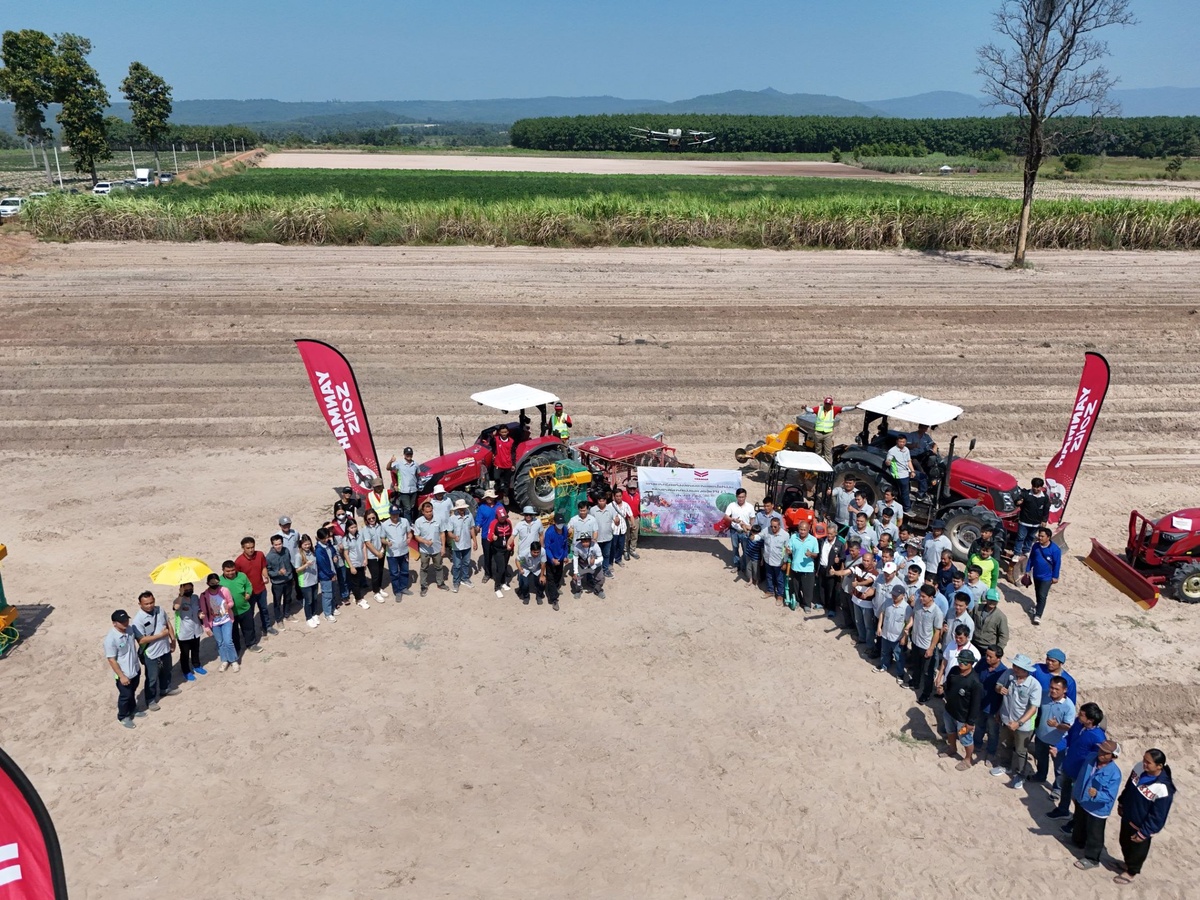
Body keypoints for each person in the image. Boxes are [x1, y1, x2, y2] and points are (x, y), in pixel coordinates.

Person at [1114, 748, 1175, 885]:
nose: (1144, 764)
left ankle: (1131, 872)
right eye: (1144, 760)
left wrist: (1144, 832)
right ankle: (1127, 863)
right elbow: (1129, 786)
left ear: (1159, 766)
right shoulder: (1138, 768)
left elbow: (1158, 816)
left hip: (1140, 826)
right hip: (1128, 816)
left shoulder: (1163, 789)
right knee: (1124, 842)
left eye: (1148, 762)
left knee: (1137, 851)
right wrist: (1122, 803)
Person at [991, 653, 1042, 789]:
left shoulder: (1034, 685)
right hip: (1006, 719)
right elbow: (998, 685)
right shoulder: (1009, 674)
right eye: (1014, 665)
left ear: (1025, 670)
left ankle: (1020, 775)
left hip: (1023, 725)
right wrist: (999, 689)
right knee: (1004, 743)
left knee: (1020, 750)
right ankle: (1005, 766)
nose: (1014, 668)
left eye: (1017, 667)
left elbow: (1033, 708)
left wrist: (1018, 723)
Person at [1049, 702, 1109, 816]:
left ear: (1090, 721)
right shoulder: (1078, 723)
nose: (1078, 715)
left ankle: (1076, 821)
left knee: (1078, 798)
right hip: (1068, 765)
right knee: (1065, 789)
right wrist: (1057, 748)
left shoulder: (1098, 738)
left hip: (1081, 773)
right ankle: (1063, 810)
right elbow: (1069, 737)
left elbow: (1099, 759)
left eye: (1081, 714)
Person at [1071, 740, 1123, 871]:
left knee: (1095, 834)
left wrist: (1096, 795)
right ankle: (1078, 842)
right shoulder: (1091, 757)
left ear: (1113, 756)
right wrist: (1076, 793)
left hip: (1097, 809)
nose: (1101, 754)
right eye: (1101, 750)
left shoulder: (1115, 774)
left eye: (1106, 753)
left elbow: (1110, 797)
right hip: (1083, 801)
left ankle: (1092, 859)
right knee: (1079, 823)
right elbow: (1082, 776)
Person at [131, 591, 178, 711]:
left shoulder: (160, 610)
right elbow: (141, 640)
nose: (150, 605)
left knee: (167, 670)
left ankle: (165, 688)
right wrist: (161, 635)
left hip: (165, 649)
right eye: (146, 604)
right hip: (151, 653)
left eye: (151, 602)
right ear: (140, 604)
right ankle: (150, 699)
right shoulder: (138, 620)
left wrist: (172, 639)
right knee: (151, 678)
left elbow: (168, 624)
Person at [941, 650, 983, 771]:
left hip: (963, 717)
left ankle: (968, 759)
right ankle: (952, 748)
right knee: (950, 731)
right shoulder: (954, 671)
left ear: (971, 663)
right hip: (949, 710)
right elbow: (948, 685)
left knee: (966, 738)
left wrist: (970, 722)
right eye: (960, 660)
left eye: (965, 662)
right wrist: (942, 689)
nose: (961, 663)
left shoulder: (975, 682)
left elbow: (975, 705)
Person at [902, 584, 945, 703]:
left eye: (924, 597)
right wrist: (909, 626)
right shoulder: (918, 604)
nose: (921, 598)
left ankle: (926, 693)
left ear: (931, 597)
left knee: (927, 672)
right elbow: (913, 617)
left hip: (927, 646)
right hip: (916, 642)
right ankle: (915, 682)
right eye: (920, 596)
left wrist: (931, 648)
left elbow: (937, 632)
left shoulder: (937, 612)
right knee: (916, 664)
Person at [1031, 675, 1076, 786]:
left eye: (1057, 689)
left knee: (1059, 767)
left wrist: (1057, 725)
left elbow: (1068, 727)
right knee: (1041, 760)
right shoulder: (1044, 695)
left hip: (1057, 742)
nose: (1053, 691)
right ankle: (1040, 776)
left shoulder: (1069, 706)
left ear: (1064, 690)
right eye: (1051, 687)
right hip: (1041, 737)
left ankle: (1057, 789)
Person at [104, 610, 144, 728]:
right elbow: (111, 659)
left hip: (135, 669)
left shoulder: (130, 629)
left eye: (126, 620)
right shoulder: (111, 640)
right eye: (122, 622)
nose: (125, 623)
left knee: (132, 691)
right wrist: (121, 676)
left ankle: (133, 710)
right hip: (124, 674)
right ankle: (122, 716)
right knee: (125, 695)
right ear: (114, 623)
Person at [973, 646, 1008, 766]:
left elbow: (1005, 696)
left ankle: (991, 752)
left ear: (998, 658)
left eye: (990, 656)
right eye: (986, 655)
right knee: (979, 725)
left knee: (993, 732)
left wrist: (999, 711)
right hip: (979, 703)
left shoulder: (1004, 672)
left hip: (993, 708)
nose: (987, 658)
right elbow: (975, 675)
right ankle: (977, 744)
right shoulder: (982, 662)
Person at [234, 536, 274, 638]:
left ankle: (267, 627)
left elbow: (263, 567)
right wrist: (244, 592)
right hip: (248, 592)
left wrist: (266, 576)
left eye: (252, 547)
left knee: (264, 609)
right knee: (249, 614)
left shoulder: (260, 554)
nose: (251, 550)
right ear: (243, 548)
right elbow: (237, 579)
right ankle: (251, 633)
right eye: (248, 548)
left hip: (261, 588)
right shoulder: (238, 561)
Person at [199, 573, 239, 673]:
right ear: (208, 583)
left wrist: (227, 607)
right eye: (212, 583)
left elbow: (231, 602)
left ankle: (233, 660)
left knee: (228, 641)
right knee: (220, 642)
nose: (214, 584)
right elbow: (204, 612)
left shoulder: (224, 590)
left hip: (226, 619)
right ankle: (224, 660)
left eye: (216, 582)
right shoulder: (204, 596)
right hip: (215, 623)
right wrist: (207, 627)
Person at [219, 558, 260, 655]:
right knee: (233, 631)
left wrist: (248, 593)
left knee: (249, 627)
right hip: (230, 612)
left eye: (233, 570)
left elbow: (248, 586)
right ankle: (236, 648)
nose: (230, 573)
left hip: (245, 608)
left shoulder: (242, 576)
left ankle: (251, 644)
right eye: (227, 571)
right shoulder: (219, 582)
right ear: (223, 571)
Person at [1025, 526, 1062, 625]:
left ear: (1048, 537)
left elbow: (1057, 564)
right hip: (1036, 574)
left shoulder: (1055, 550)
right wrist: (1027, 570)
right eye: (1039, 536)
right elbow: (1031, 558)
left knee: (1042, 595)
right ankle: (1037, 607)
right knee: (1037, 592)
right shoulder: (1036, 546)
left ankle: (1038, 615)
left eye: (1042, 536)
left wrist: (1055, 576)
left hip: (1047, 577)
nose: (1039, 538)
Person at [1013, 477, 1050, 574]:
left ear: (1041, 487)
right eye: (1034, 486)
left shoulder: (1045, 497)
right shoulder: (1026, 494)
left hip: (1036, 523)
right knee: (1021, 537)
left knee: (1030, 537)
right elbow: (1017, 500)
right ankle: (1017, 553)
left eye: (1038, 487)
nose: (1036, 489)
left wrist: (1044, 520)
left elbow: (1046, 509)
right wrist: (1018, 502)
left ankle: (1026, 550)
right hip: (1024, 521)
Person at [413, 500, 449, 596]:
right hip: (424, 550)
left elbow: (442, 534)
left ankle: (440, 583)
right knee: (424, 567)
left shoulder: (438, 519)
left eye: (430, 511)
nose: (429, 513)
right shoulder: (418, 522)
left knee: (439, 566)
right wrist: (425, 542)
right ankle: (424, 586)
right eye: (427, 512)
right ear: (423, 512)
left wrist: (443, 547)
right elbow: (416, 536)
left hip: (437, 549)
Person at [172, 584, 207, 681]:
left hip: (196, 629)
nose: (189, 591)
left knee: (196, 650)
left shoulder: (195, 597)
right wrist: (180, 595)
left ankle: (197, 665)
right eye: (186, 589)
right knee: (185, 653)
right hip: (184, 632)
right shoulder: (178, 600)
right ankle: (186, 671)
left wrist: (200, 614)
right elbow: (176, 607)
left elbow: (198, 609)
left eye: (190, 589)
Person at [876, 585, 908, 682]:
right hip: (885, 634)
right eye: (893, 594)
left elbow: (908, 624)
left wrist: (904, 638)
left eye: (896, 595)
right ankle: (884, 665)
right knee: (884, 652)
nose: (894, 597)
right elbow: (882, 613)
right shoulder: (887, 602)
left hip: (897, 637)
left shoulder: (906, 608)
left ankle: (900, 674)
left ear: (902, 595)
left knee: (899, 656)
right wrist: (879, 627)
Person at [380, 505, 412, 599]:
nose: (395, 516)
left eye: (397, 514)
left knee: (405, 571)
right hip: (392, 554)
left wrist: (409, 538)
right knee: (394, 573)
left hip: (404, 551)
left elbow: (409, 533)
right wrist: (387, 543)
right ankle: (397, 591)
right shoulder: (385, 525)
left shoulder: (404, 521)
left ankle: (404, 587)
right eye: (393, 514)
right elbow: (382, 539)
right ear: (390, 514)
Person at [786, 520, 819, 611]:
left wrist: (811, 554)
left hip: (808, 569)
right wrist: (788, 551)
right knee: (796, 587)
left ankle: (807, 605)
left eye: (804, 530)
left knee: (807, 589)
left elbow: (816, 554)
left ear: (808, 530)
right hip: (795, 567)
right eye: (801, 529)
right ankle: (797, 600)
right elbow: (790, 549)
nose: (802, 531)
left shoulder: (813, 540)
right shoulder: (793, 537)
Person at [804, 396, 848, 463]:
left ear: (831, 404)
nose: (827, 405)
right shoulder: (819, 409)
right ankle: (817, 466)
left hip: (828, 434)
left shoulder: (834, 410)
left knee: (828, 452)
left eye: (829, 404)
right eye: (826, 404)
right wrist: (805, 408)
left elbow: (844, 409)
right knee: (818, 451)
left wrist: (855, 407)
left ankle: (829, 468)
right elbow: (810, 410)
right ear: (824, 403)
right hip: (818, 434)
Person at [473, 489, 505, 580]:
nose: (489, 499)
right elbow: (479, 520)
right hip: (486, 535)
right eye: (487, 497)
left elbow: (504, 518)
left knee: (500, 555)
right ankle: (488, 573)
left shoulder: (499, 506)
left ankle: (502, 571)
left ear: (493, 497)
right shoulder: (482, 507)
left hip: (498, 535)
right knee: (487, 556)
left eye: (490, 497)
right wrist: (478, 527)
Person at [849, 553, 879, 648]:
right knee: (858, 621)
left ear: (872, 561)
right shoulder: (858, 567)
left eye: (867, 560)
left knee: (869, 626)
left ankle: (870, 645)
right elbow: (846, 571)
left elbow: (868, 581)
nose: (865, 562)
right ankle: (862, 638)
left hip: (867, 603)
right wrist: (836, 572)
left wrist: (858, 583)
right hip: (856, 600)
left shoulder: (875, 573)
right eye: (864, 560)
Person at [723, 489, 755, 577]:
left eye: (743, 497)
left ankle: (744, 567)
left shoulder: (750, 507)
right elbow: (726, 517)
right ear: (736, 497)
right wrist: (733, 519)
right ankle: (737, 565)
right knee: (735, 549)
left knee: (745, 550)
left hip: (745, 532)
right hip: (734, 531)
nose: (741, 499)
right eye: (739, 497)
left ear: (745, 497)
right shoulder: (732, 505)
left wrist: (752, 529)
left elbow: (752, 519)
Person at [265, 534, 296, 625]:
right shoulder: (269, 557)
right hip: (277, 583)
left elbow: (289, 564)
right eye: (276, 544)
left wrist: (292, 577)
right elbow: (268, 571)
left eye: (280, 544)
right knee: (277, 602)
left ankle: (287, 614)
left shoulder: (286, 551)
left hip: (288, 580)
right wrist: (278, 573)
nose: (278, 546)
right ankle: (279, 619)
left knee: (288, 599)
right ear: (272, 545)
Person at [341, 519, 372, 609]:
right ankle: (358, 599)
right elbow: (346, 554)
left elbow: (363, 547)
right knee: (355, 583)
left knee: (360, 580)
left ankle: (358, 596)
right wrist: (351, 567)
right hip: (353, 563)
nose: (354, 529)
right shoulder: (345, 539)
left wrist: (365, 559)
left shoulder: (360, 535)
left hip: (361, 562)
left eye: (355, 527)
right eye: (351, 527)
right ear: (347, 528)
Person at [486, 506, 515, 598]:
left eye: (505, 517)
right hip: (497, 549)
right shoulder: (493, 523)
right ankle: (497, 587)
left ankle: (503, 583)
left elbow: (511, 536)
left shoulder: (509, 522)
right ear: (497, 516)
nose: (503, 519)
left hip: (506, 548)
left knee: (505, 566)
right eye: (501, 517)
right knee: (501, 568)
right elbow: (488, 537)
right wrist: (492, 537)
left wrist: (512, 547)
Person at [448, 499, 477, 592]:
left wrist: (475, 541)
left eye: (463, 508)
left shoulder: (469, 515)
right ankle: (456, 582)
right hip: (456, 546)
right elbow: (449, 532)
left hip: (467, 544)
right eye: (460, 509)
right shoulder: (452, 518)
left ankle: (465, 578)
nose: (462, 510)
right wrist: (454, 537)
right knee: (457, 565)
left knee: (466, 563)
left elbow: (472, 528)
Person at [543, 512, 569, 610]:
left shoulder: (565, 530)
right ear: (554, 523)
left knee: (558, 575)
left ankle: (554, 588)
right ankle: (554, 599)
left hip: (561, 558)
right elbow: (547, 547)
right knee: (551, 578)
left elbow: (565, 544)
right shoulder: (549, 532)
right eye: (558, 524)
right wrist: (552, 559)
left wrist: (565, 555)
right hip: (551, 559)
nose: (560, 526)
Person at [361, 510, 389, 603]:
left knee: (380, 571)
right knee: (375, 574)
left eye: (373, 517)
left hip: (381, 552)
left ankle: (379, 587)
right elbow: (368, 543)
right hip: (371, 555)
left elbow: (383, 538)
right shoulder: (365, 529)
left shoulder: (381, 526)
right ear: (366, 519)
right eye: (369, 519)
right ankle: (376, 592)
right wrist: (377, 553)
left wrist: (382, 550)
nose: (372, 520)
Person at [971, 588, 1010, 654]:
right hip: (973, 643)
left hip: (988, 648)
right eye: (990, 600)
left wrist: (997, 650)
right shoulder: (977, 608)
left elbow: (1004, 636)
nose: (992, 602)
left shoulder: (1000, 617)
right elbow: (970, 622)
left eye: (995, 601)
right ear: (986, 598)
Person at [295, 536, 322, 627]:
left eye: (309, 544)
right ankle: (308, 618)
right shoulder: (298, 555)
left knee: (314, 599)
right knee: (308, 600)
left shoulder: (312, 552)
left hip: (314, 580)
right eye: (305, 544)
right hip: (305, 582)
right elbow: (297, 570)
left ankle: (314, 614)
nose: (307, 546)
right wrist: (306, 565)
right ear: (301, 545)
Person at [817, 524, 843, 618]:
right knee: (821, 586)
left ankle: (831, 608)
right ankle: (822, 604)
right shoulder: (822, 541)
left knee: (831, 590)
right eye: (828, 533)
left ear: (835, 533)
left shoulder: (840, 544)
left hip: (832, 570)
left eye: (831, 534)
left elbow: (843, 556)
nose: (829, 536)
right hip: (822, 568)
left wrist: (839, 559)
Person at [388, 446, 420, 521]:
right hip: (404, 491)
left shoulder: (415, 464)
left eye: (410, 454)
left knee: (412, 507)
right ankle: (408, 524)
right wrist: (390, 461)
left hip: (413, 490)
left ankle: (411, 522)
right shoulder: (399, 463)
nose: (409, 456)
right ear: (404, 455)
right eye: (407, 454)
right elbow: (388, 468)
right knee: (407, 509)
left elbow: (418, 475)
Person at [314, 528, 340, 623]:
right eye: (324, 539)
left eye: (327, 538)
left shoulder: (328, 544)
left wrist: (334, 555)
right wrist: (330, 574)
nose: (326, 540)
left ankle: (332, 608)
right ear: (319, 538)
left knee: (333, 592)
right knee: (327, 595)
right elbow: (322, 565)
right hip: (326, 576)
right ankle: (327, 614)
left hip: (332, 572)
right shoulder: (319, 550)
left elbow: (333, 550)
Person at [761, 518, 788, 606]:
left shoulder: (785, 535)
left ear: (779, 526)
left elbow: (787, 550)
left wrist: (785, 562)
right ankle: (770, 591)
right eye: (771, 526)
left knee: (779, 579)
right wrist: (753, 536)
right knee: (769, 576)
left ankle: (780, 595)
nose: (773, 529)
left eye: (775, 527)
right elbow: (759, 536)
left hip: (778, 562)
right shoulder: (766, 530)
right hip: (768, 559)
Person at [885, 434, 915, 511]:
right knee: (905, 492)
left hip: (906, 471)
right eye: (900, 442)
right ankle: (907, 509)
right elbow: (888, 461)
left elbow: (909, 461)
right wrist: (888, 462)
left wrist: (912, 471)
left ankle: (920, 495)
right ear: (897, 442)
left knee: (922, 477)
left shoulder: (906, 450)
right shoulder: (892, 451)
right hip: (899, 474)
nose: (902, 443)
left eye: (903, 442)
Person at [572, 533, 606, 598]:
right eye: (583, 541)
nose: (585, 543)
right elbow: (575, 558)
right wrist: (575, 572)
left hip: (595, 565)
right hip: (582, 564)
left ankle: (598, 590)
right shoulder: (576, 546)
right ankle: (578, 590)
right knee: (576, 579)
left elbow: (601, 558)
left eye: (587, 541)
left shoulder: (595, 546)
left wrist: (594, 562)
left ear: (590, 540)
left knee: (601, 578)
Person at [516, 540, 547, 604]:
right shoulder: (524, 552)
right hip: (526, 567)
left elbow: (543, 563)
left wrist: (542, 575)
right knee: (525, 584)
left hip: (536, 568)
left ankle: (539, 596)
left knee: (542, 582)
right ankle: (526, 596)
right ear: (530, 550)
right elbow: (517, 560)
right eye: (534, 552)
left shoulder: (543, 551)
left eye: (538, 552)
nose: (536, 554)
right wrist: (520, 569)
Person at [491, 424, 516, 500]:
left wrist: (513, 464)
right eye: (502, 432)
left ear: (508, 432)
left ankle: (505, 495)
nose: (504, 434)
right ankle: (498, 487)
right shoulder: (496, 440)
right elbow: (491, 443)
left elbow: (513, 453)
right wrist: (492, 435)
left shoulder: (511, 441)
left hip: (507, 464)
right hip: (498, 463)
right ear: (499, 432)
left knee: (507, 481)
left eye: (505, 432)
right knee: (496, 477)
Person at [621, 479, 641, 560]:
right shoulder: (623, 494)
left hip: (636, 518)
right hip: (626, 519)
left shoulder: (639, 495)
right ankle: (625, 550)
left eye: (634, 488)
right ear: (627, 488)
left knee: (634, 535)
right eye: (630, 488)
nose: (632, 490)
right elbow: (613, 494)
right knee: (626, 536)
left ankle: (632, 550)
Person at [612, 490, 633, 566]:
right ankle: (611, 560)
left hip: (623, 529)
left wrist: (633, 524)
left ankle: (618, 559)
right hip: (614, 529)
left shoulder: (626, 505)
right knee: (613, 545)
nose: (618, 498)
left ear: (622, 496)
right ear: (614, 496)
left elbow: (630, 514)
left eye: (620, 496)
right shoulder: (610, 505)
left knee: (621, 545)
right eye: (617, 496)